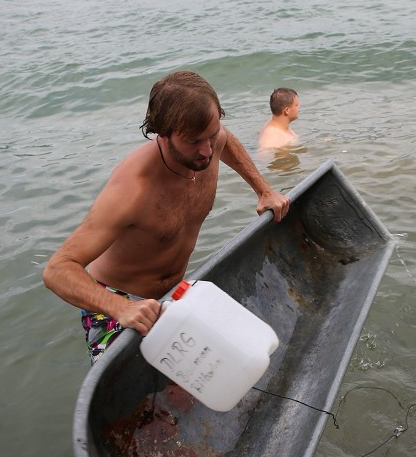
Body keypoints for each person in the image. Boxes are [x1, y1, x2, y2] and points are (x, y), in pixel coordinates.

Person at [43, 71, 290, 363]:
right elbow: (57, 270)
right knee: (143, 403)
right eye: (194, 141)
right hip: (117, 304)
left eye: (211, 136)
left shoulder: (210, 143)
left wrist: (263, 190)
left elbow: (227, 141)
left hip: (174, 295)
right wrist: (120, 308)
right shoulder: (132, 188)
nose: (207, 151)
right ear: (163, 133)